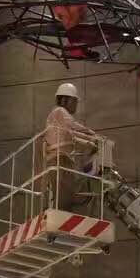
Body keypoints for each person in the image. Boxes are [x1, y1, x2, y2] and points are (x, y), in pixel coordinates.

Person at [42, 82, 99, 211]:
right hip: (59, 158)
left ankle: (61, 211)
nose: (75, 105)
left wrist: (90, 136)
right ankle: (60, 214)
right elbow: (72, 131)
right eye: (74, 101)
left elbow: (72, 130)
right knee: (64, 195)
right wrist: (90, 140)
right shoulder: (60, 112)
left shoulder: (59, 116)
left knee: (66, 193)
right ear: (64, 100)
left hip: (61, 159)